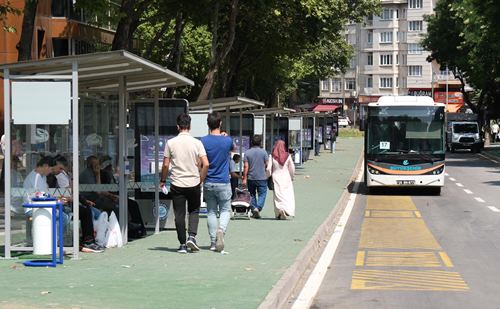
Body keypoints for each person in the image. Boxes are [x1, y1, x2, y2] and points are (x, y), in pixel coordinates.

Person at [160, 113, 209, 254]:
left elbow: (165, 165)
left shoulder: (170, 143)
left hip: (177, 183)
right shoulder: (197, 143)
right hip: (193, 182)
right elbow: (206, 164)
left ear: (177, 127)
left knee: (179, 214)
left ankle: (182, 244)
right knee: (194, 210)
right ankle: (192, 237)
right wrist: (200, 179)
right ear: (190, 126)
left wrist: (163, 180)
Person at [49, 155, 104, 253]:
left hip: (65, 204)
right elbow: (69, 194)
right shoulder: (59, 176)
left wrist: (84, 201)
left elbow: (72, 193)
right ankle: (88, 241)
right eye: (59, 168)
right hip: (62, 205)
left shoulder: (65, 175)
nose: (59, 170)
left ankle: (89, 239)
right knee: (87, 212)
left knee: (91, 211)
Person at [201, 112, 234, 252]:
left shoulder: (203, 141)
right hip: (224, 181)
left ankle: (213, 242)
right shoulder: (227, 140)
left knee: (211, 212)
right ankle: (221, 230)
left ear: (208, 124)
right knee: (226, 209)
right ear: (220, 123)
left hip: (208, 182)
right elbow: (234, 150)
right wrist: (225, 136)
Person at [99, 155, 146, 239]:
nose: (111, 167)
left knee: (133, 203)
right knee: (127, 204)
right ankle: (130, 226)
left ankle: (139, 228)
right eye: (109, 165)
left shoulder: (109, 174)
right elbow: (102, 190)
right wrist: (113, 195)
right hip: (108, 198)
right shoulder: (103, 174)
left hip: (114, 196)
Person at [242, 135, 269, 219]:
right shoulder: (264, 152)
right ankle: (258, 207)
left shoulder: (247, 153)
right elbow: (267, 164)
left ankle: (254, 208)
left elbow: (246, 166)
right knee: (262, 193)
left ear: (251, 142)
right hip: (262, 177)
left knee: (252, 194)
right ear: (260, 142)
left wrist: (244, 178)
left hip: (251, 177)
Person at [268, 140, 295, 220]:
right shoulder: (288, 156)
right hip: (286, 177)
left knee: (277, 195)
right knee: (287, 195)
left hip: (276, 176)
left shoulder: (272, 156)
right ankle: (286, 209)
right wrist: (291, 176)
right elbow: (292, 168)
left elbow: (269, 168)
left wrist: (267, 176)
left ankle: (279, 210)